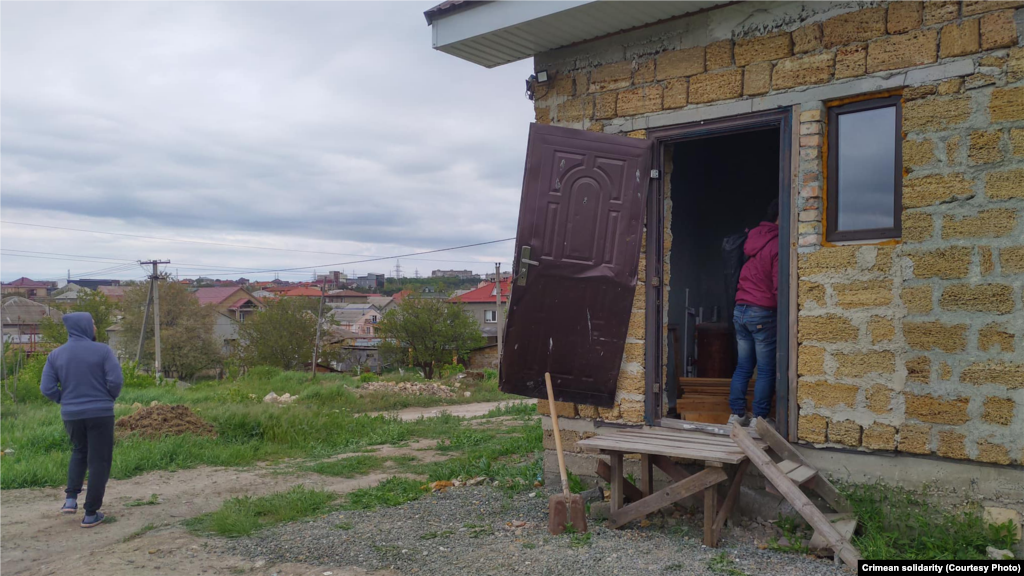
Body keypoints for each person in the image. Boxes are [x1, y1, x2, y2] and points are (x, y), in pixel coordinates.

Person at [40, 312, 123, 528]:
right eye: (92, 323)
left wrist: (64, 400)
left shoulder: (55, 355)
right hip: (100, 413)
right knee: (99, 461)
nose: (95, 327)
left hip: (72, 415)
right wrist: (108, 397)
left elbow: (46, 388)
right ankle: (91, 513)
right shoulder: (102, 350)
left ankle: (70, 500)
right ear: (84, 326)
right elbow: (115, 381)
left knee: (79, 451)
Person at [727, 200, 779, 428]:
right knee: (766, 369)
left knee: (743, 366)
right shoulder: (777, 244)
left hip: (740, 309)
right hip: (762, 312)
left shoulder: (750, 238)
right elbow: (779, 285)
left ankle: (737, 415)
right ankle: (760, 420)